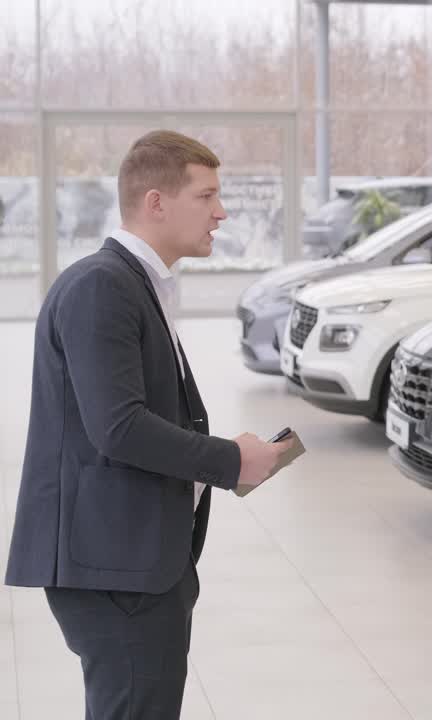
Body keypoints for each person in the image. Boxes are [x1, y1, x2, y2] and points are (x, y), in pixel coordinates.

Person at [4, 130, 293, 719]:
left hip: (139, 563)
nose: (222, 212)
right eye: (207, 195)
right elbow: (120, 427)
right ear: (156, 202)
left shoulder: (134, 284)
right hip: (115, 570)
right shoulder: (101, 287)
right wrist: (231, 460)